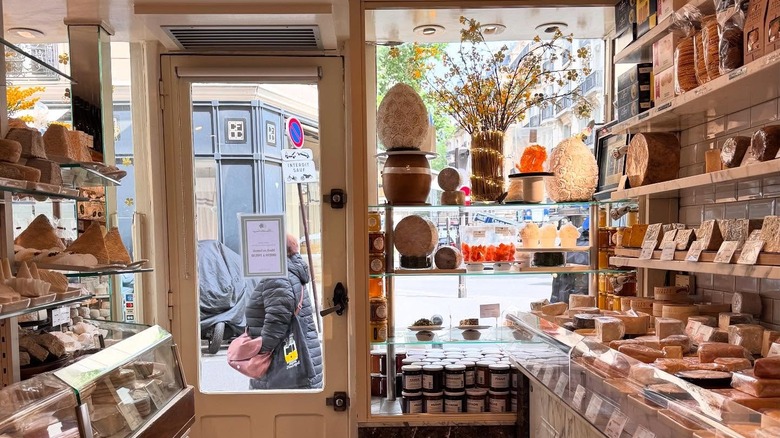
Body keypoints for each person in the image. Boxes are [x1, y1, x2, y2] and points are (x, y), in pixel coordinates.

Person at [245, 234, 323, 389]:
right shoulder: (291, 272)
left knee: (276, 410)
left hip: (281, 365)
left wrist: (259, 351)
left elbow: (276, 324)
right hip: (299, 360)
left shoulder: (278, 277)